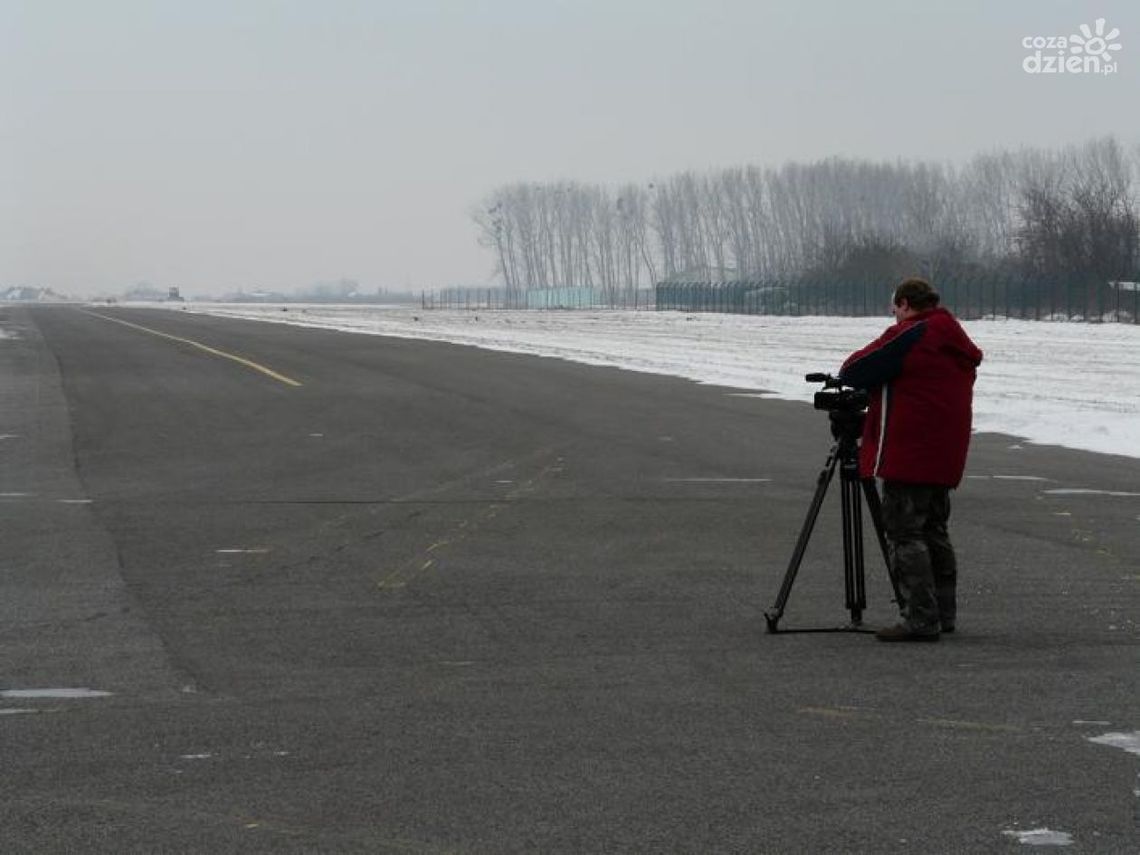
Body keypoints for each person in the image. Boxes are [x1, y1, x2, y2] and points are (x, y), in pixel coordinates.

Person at [838, 277, 984, 642]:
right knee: (934, 529)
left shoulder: (915, 333)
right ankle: (942, 612)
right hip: (943, 453)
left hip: (909, 452)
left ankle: (919, 616)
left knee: (904, 533)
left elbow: (855, 369)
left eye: (895, 307)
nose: (893, 313)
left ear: (905, 303)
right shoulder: (951, 336)